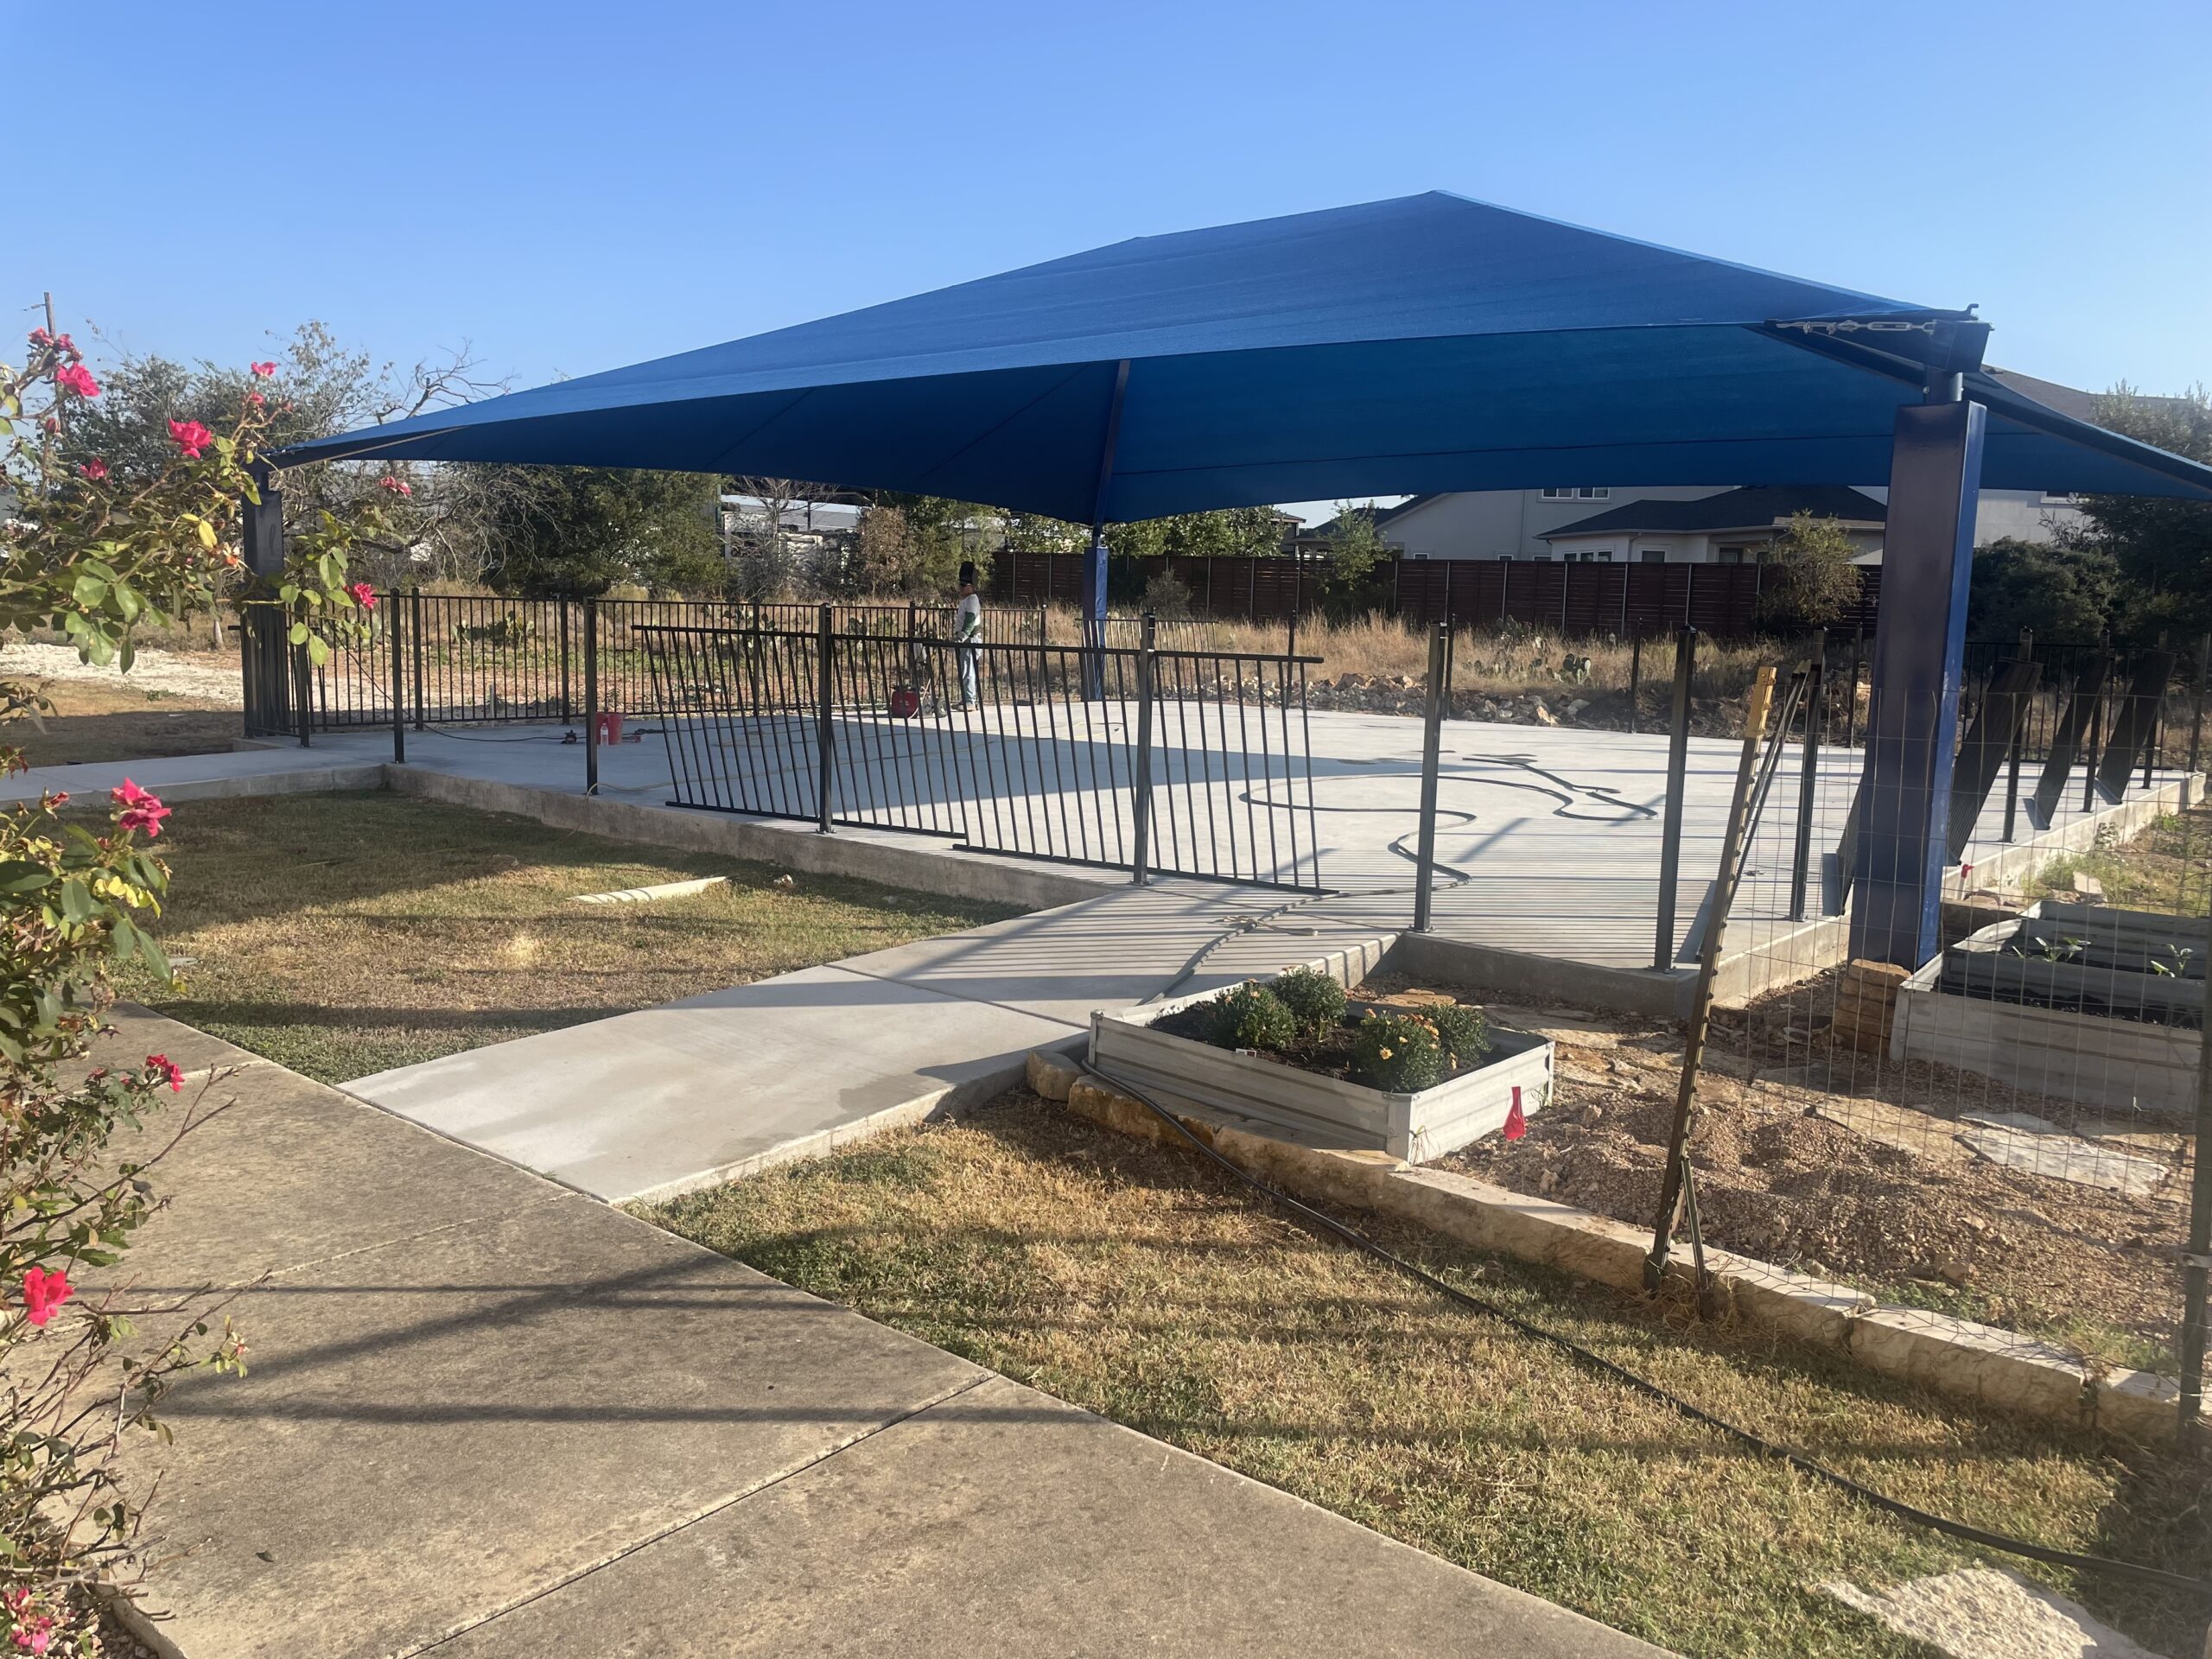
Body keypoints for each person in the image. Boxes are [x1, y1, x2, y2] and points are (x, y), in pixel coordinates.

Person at [953, 562, 982, 709]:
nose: (961, 588)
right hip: (966, 639)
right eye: (960, 584)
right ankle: (966, 699)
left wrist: (961, 636)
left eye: (964, 585)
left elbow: (970, 621)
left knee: (968, 670)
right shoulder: (966, 600)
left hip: (970, 640)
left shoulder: (972, 600)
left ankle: (970, 701)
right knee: (965, 670)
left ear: (971, 587)